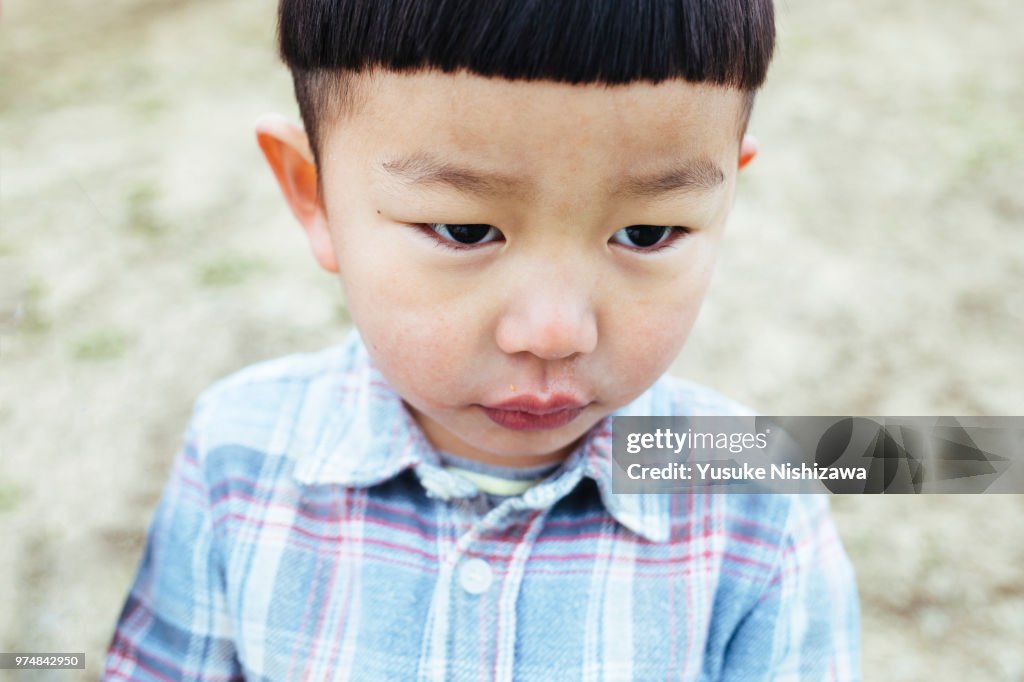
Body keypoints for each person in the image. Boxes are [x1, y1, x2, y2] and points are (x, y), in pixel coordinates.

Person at [103, 1, 861, 679]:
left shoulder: (762, 503)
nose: (555, 332)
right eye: (466, 230)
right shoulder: (236, 453)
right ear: (315, 194)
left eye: (647, 232)